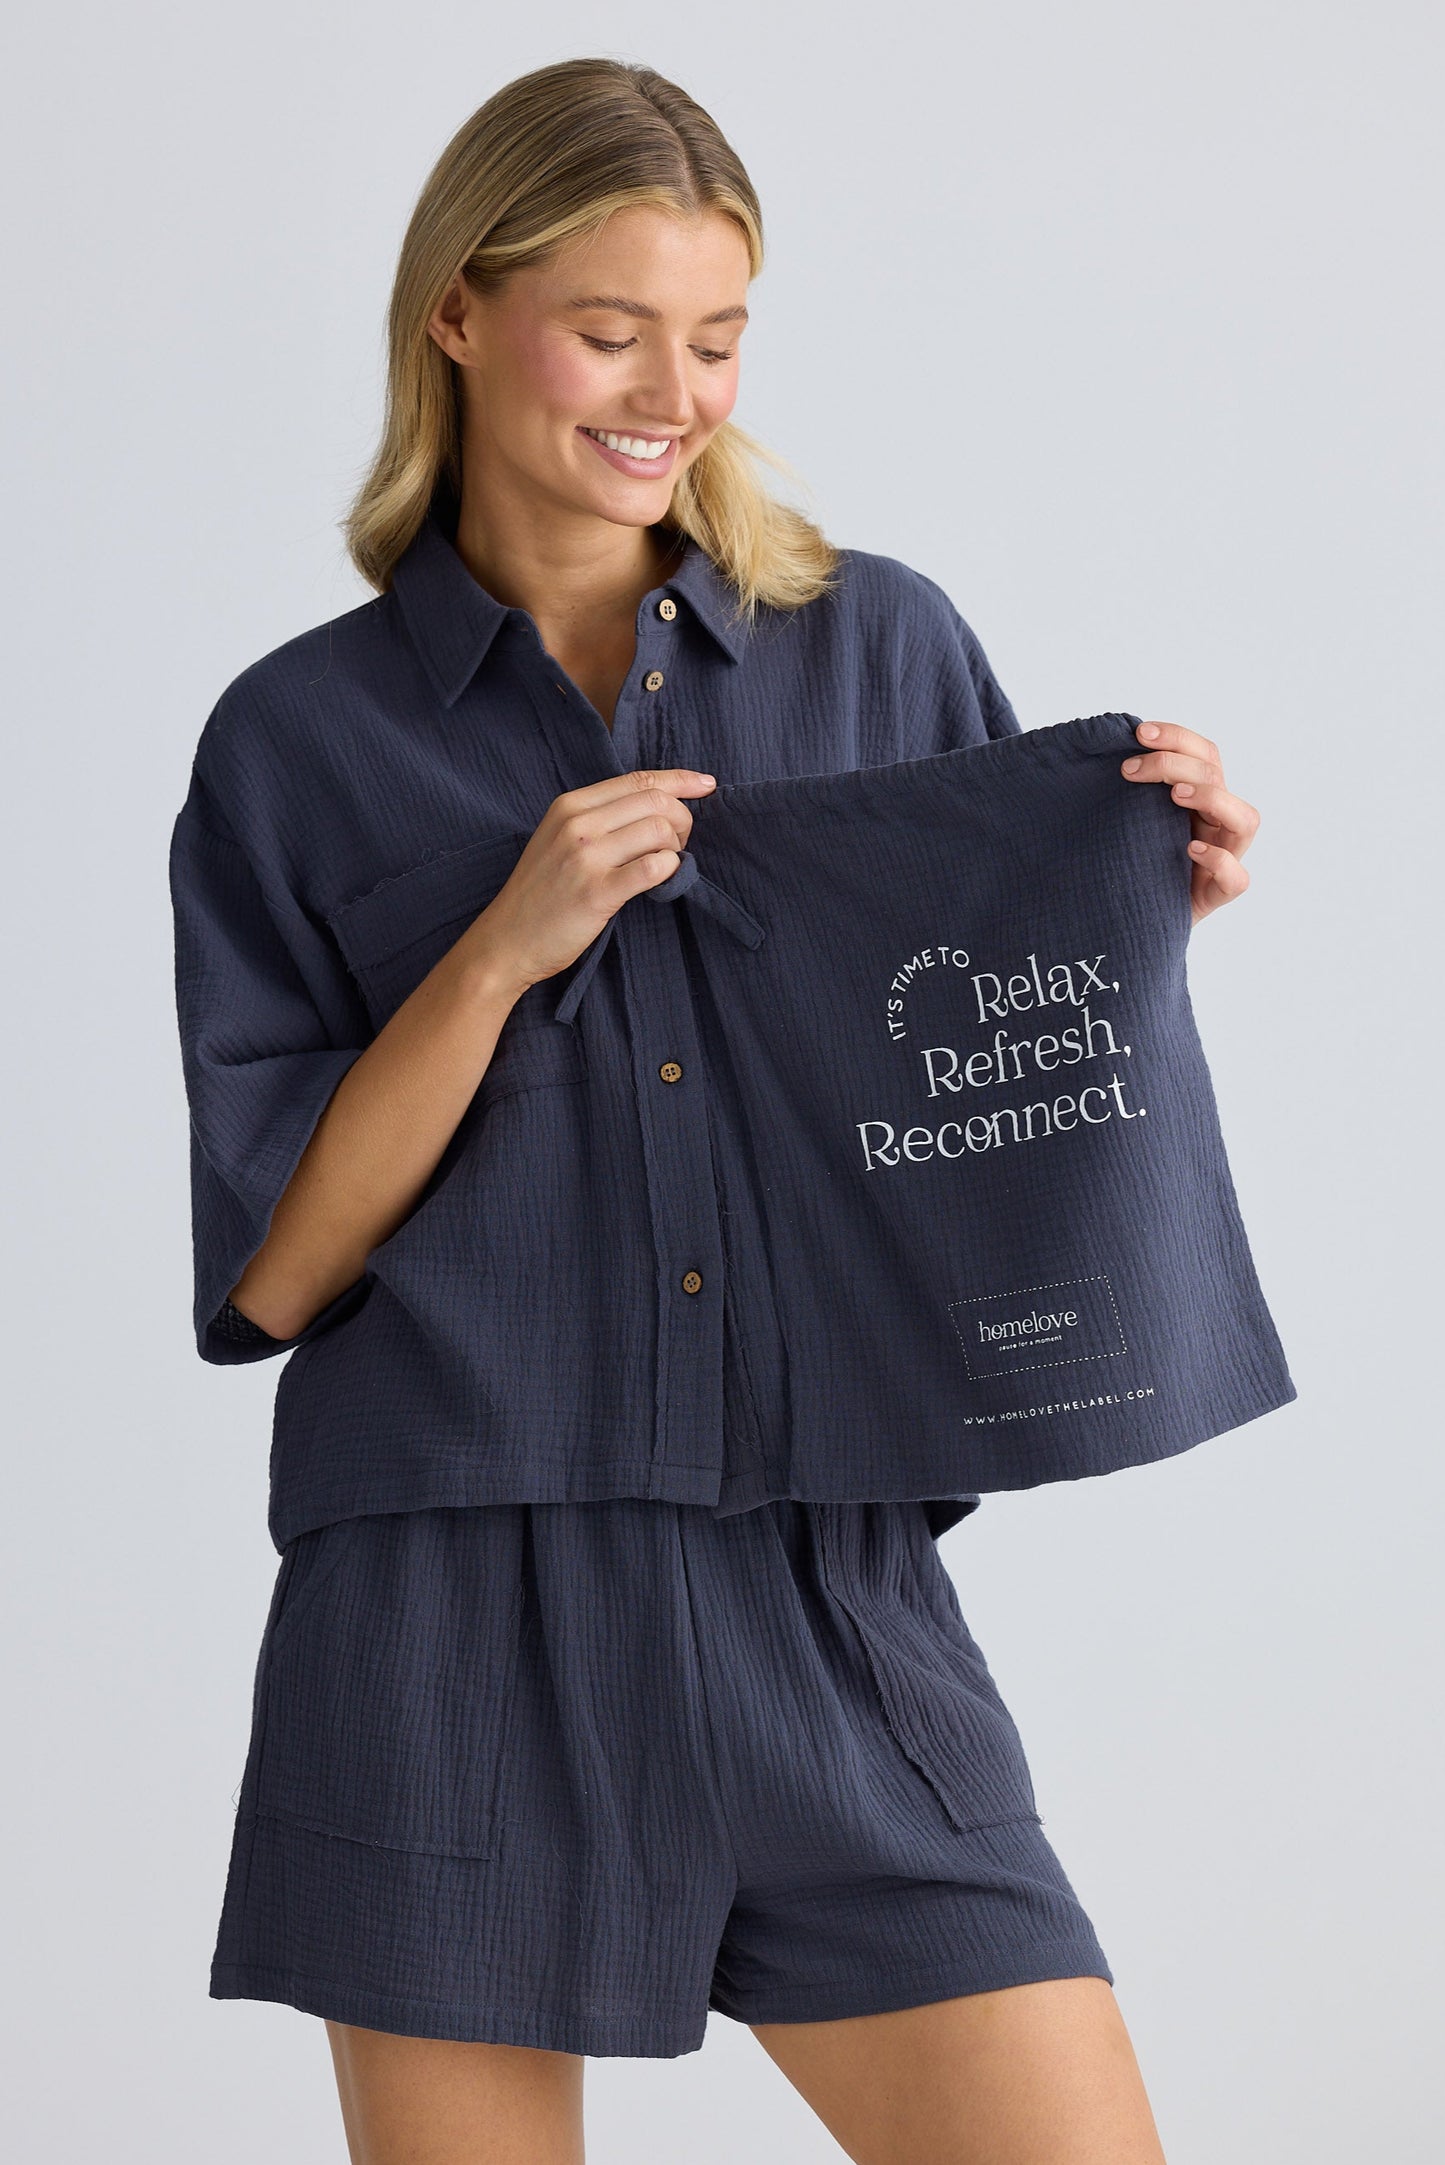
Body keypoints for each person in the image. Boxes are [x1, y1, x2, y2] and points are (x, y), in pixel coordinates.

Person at [171, 56, 1260, 2165]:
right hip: (446, 1618)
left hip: (823, 1584)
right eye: (609, 325)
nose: (669, 387)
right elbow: (281, 1271)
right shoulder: (298, 741)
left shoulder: (881, 647)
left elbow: (970, 1083)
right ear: (460, 315)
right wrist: (499, 949)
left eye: (719, 333)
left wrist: (1149, 912)